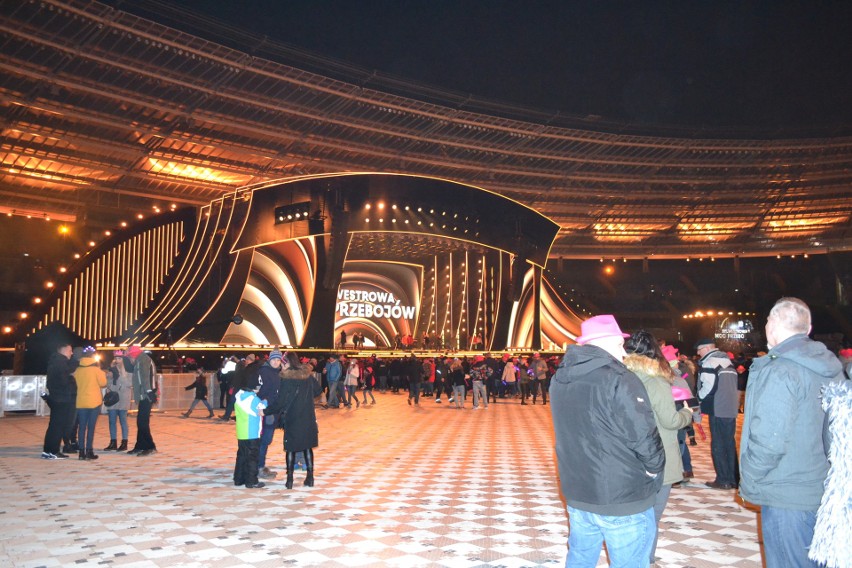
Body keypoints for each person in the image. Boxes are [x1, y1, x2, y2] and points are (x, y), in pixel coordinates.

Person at [550, 314, 664, 567]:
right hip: (621, 492)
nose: (623, 353)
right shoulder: (619, 378)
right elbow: (643, 433)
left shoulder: (561, 377)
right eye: (619, 345)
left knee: (580, 557)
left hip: (579, 488)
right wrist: (655, 468)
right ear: (607, 342)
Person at [740, 297, 845, 568]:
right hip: (823, 487)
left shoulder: (781, 369)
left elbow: (769, 440)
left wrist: (750, 478)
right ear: (808, 328)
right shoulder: (832, 367)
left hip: (786, 491)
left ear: (772, 326)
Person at [624, 331, 694, 565]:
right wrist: (687, 413)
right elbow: (670, 421)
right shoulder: (656, 379)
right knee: (652, 513)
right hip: (657, 454)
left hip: (626, 454)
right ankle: (645, 559)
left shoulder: (620, 376)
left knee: (630, 511)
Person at [264, 352, 320, 489]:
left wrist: (265, 411)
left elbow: (280, 402)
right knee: (307, 447)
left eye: (283, 363)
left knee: (290, 449)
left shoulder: (286, 378)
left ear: (287, 363)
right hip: (308, 417)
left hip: (292, 418)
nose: (282, 366)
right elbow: (318, 391)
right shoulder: (307, 375)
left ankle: (290, 481)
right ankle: (310, 478)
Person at [695, 337, 740, 489]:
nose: (698, 353)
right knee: (729, 442)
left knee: (718, 444)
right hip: (730, 407)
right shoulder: (727, 361)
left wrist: (699, 398)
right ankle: (733, 478)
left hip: (717, 407)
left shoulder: (709, 362)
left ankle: (722, 479)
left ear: (707, 348)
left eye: (699, 350)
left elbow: (708, 386)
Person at [42, 343, 78, 459]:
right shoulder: (61, 363)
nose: (71, 353)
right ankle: (53, 451)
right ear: (63, 350)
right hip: (62, 398)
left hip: (55, 397)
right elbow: (63, 381)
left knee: (53, 425)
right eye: (70, 350)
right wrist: (71, 377)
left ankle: (47, 451)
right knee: (58, 426)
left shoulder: (54, 361)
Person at [233, 370, 266, 489]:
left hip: (241, 432)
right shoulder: (254, 399)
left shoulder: (239, 397)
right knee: (252, 458)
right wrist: (265, 402)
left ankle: (238, 479)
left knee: (241, 456)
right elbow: (261, 410)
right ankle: (252, 481)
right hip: (252, 433)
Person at [74, 346, 107, 460]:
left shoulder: (77, 370)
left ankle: (81, 452)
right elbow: (103, 383)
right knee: (91, 427)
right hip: (94, 402)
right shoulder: (96, 370)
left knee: (81, 427)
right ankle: (89, 451)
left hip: (81, 402)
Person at [126, 345, 157, 456]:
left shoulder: (143, 360)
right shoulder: (140, 360)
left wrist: (149, 392)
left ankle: (150, 446)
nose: (130, 360)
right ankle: (140, 445)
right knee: (141, 422)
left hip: (147, 395)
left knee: (142, 423)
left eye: (129, 357)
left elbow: (145, 377)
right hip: (144, 395)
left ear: (133, 355)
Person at [257, 349, 283, 479]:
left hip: (273, 410)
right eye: (274, 359)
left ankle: (261, 465)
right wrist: (266, 401)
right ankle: (259, 467)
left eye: (278, 360)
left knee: (266, 440)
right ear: (269, 359)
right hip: (267, 411)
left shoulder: (277, 373)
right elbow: (263, 390)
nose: (276, 362)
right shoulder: (264, 372)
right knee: (264, 439)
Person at [103, 350, 132, 452]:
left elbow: (129, 383)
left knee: (123, 420)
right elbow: (108, 384)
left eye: (119, 358)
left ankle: (124, 442)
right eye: (116, 358)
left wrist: (119, 375)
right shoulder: (112, 369)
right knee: (111, 421)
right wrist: (110, 378)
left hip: (123, 397)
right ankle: (113, 442)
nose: (117, 360)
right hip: (113, 398)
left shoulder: (128, 370)